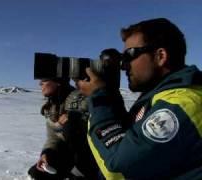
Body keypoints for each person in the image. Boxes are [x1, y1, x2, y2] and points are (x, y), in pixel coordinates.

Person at [77, 18, 202, 179]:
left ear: (160, 56)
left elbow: (118, 168)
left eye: (130, 55)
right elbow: (128, 139)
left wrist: (98, 98)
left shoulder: (183, 104)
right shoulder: (160, 97)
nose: (123, 66)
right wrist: (110, 96)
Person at [28, 77, 101, 180]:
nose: (40, 84)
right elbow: (53, 137)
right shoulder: (52, 106)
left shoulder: (81, 99)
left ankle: (83, 172)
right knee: (37, 172)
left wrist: (75, 120)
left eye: (44, 80)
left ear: (58, 82)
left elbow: (99, 126)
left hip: (92, 157)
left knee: (70, 126)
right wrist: (47, 153)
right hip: (68, 155)